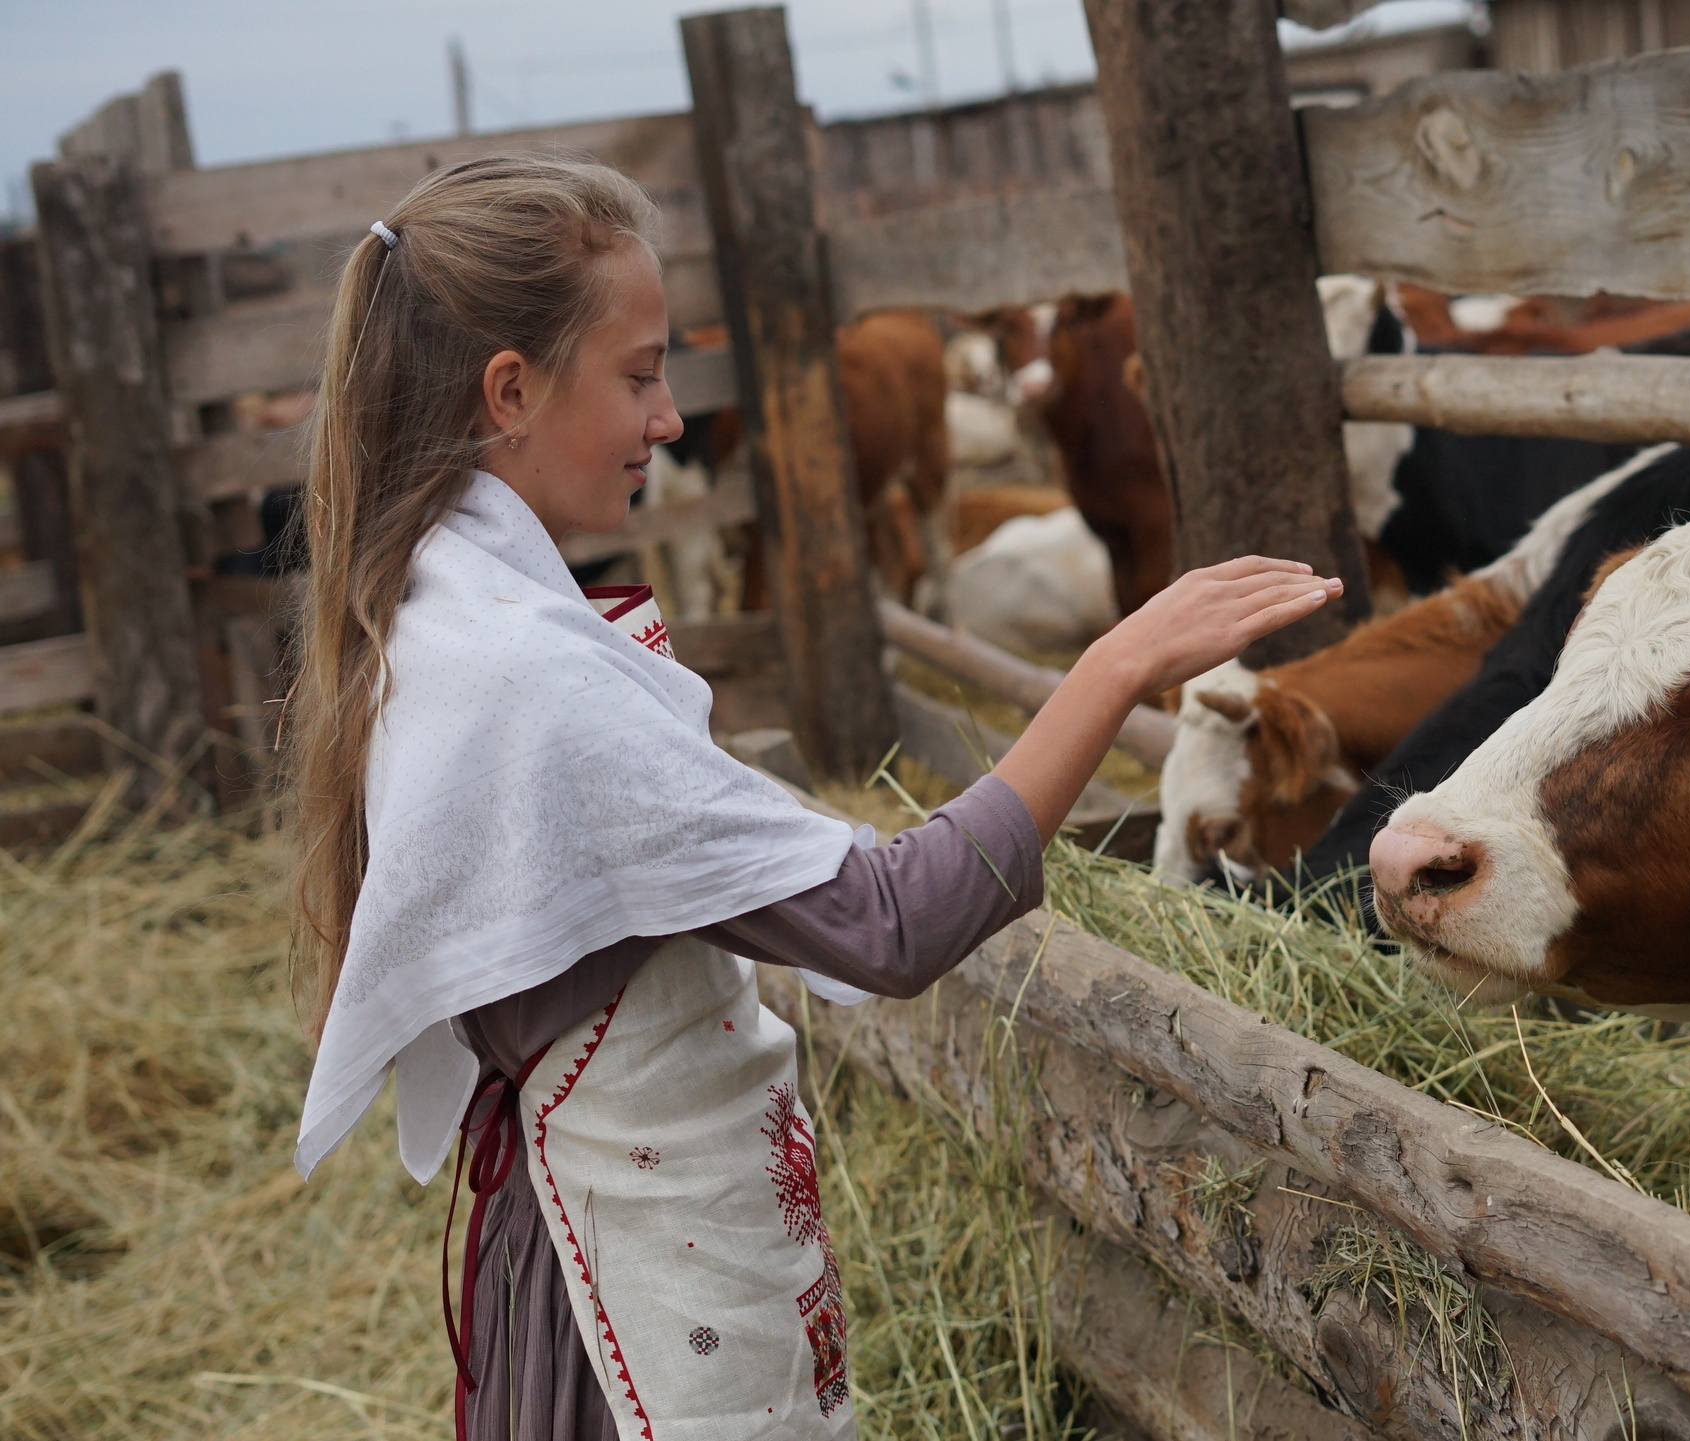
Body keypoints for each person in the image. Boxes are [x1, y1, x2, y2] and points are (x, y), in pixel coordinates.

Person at [284, 154, 1339, 1441]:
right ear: (510, 389)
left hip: (584, 1239)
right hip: (623, 1287)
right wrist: (1115, 668)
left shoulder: (442, 611)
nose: (670, 417)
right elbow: (889, 923)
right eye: (638, 374)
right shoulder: (525, 676)